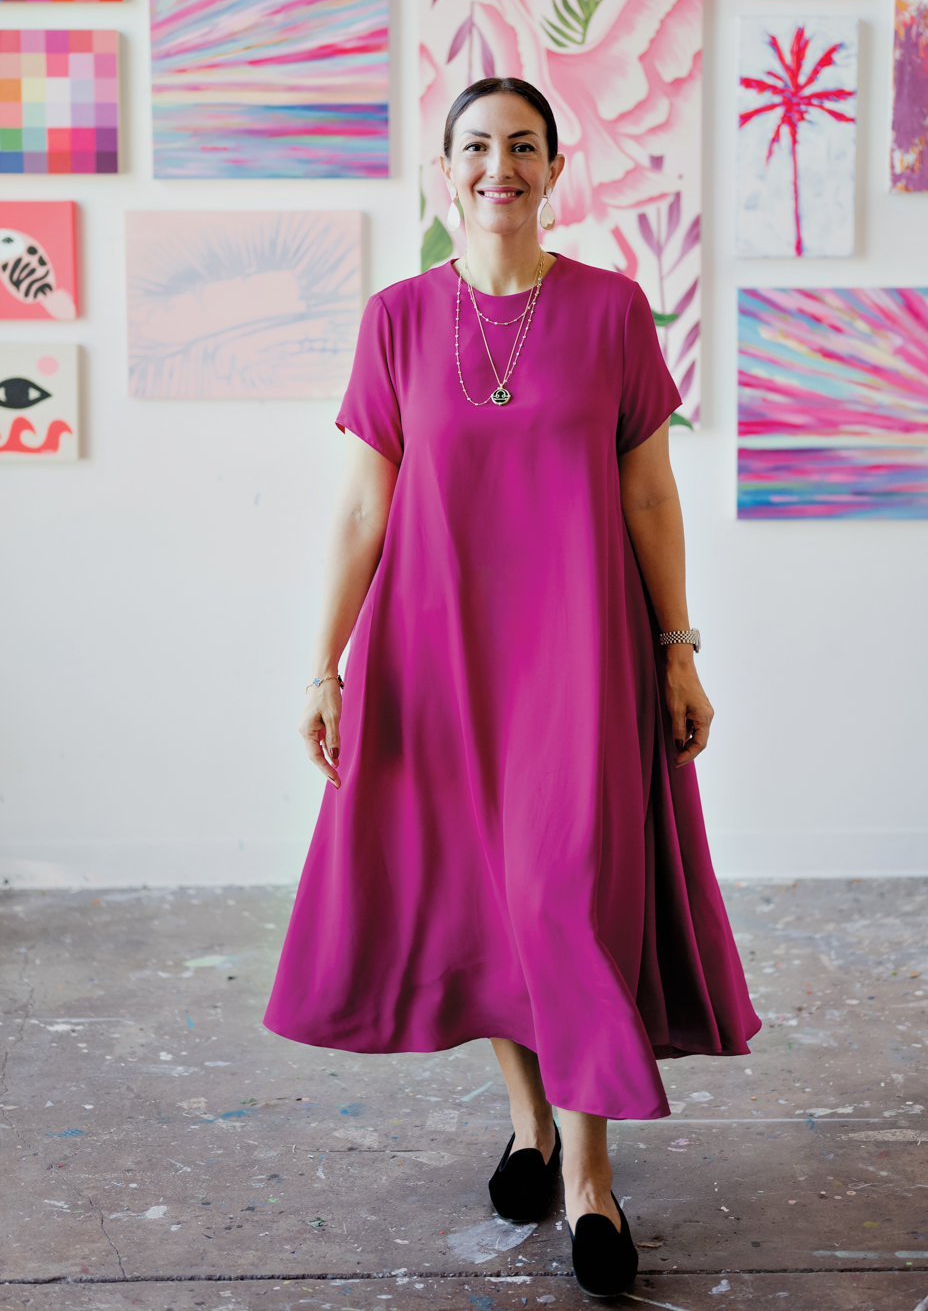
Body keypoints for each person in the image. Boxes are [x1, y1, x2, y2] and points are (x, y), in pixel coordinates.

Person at [265, 77, 759, 1297]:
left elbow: (648, 494)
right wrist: (321, 663)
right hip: (437, 656)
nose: (502, 165)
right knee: (491, 895)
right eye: (478, 146)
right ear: (447, 170)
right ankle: (529, 1125)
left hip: (582, 654)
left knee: (566, 892)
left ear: (553, 169)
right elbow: (365, 505)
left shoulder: (611, 312)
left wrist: (679, 645)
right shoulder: (395, 319)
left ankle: (588, 1178)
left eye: (524, 146)